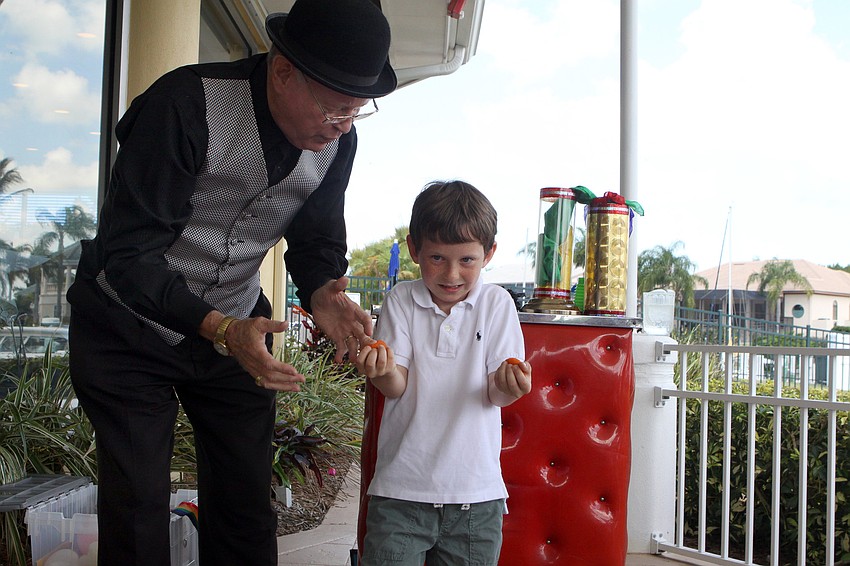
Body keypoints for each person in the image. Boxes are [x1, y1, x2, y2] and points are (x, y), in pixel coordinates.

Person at [66, 0, 396, 564]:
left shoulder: (338, 140)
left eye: (355, 112)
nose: (340, 126)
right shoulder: (184, 106)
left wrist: (322, 294)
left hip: (236, 321)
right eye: (333, 109)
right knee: (139, 507)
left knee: (245, 502)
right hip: (125, 327)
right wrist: (221, 329)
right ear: (283, 68)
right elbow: (130, 255)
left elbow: (316, 238)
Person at [349, 180, 533, 566]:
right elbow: (396, 386)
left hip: (477, 497)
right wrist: (379, 371)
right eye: (437, 258)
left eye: (467, 260)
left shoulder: (497, 303)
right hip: (401, 491)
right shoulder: (401, 299)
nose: (451, 274)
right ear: (414, 249)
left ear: (489, 254)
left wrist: (509, 385)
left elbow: (496, 394)